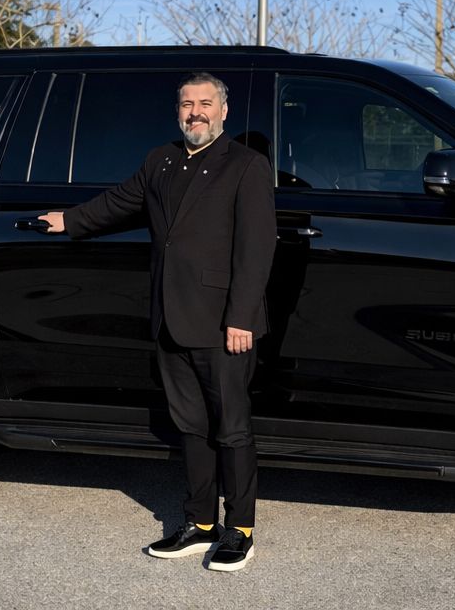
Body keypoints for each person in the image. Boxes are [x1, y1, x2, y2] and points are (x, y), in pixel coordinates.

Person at [40, 72, 275, 572]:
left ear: (224, 111)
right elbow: (119, 203)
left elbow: (256, 251)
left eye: (206, 103)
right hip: (170, 316)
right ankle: (200, 523)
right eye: (187, 104)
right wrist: (69, 220)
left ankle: (241, 530)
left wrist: (242, 318)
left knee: (231, 429)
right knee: (190, 426)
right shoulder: (161, 160)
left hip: (223, 324)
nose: (196, 112)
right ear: (178, 112)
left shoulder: (246, 166)